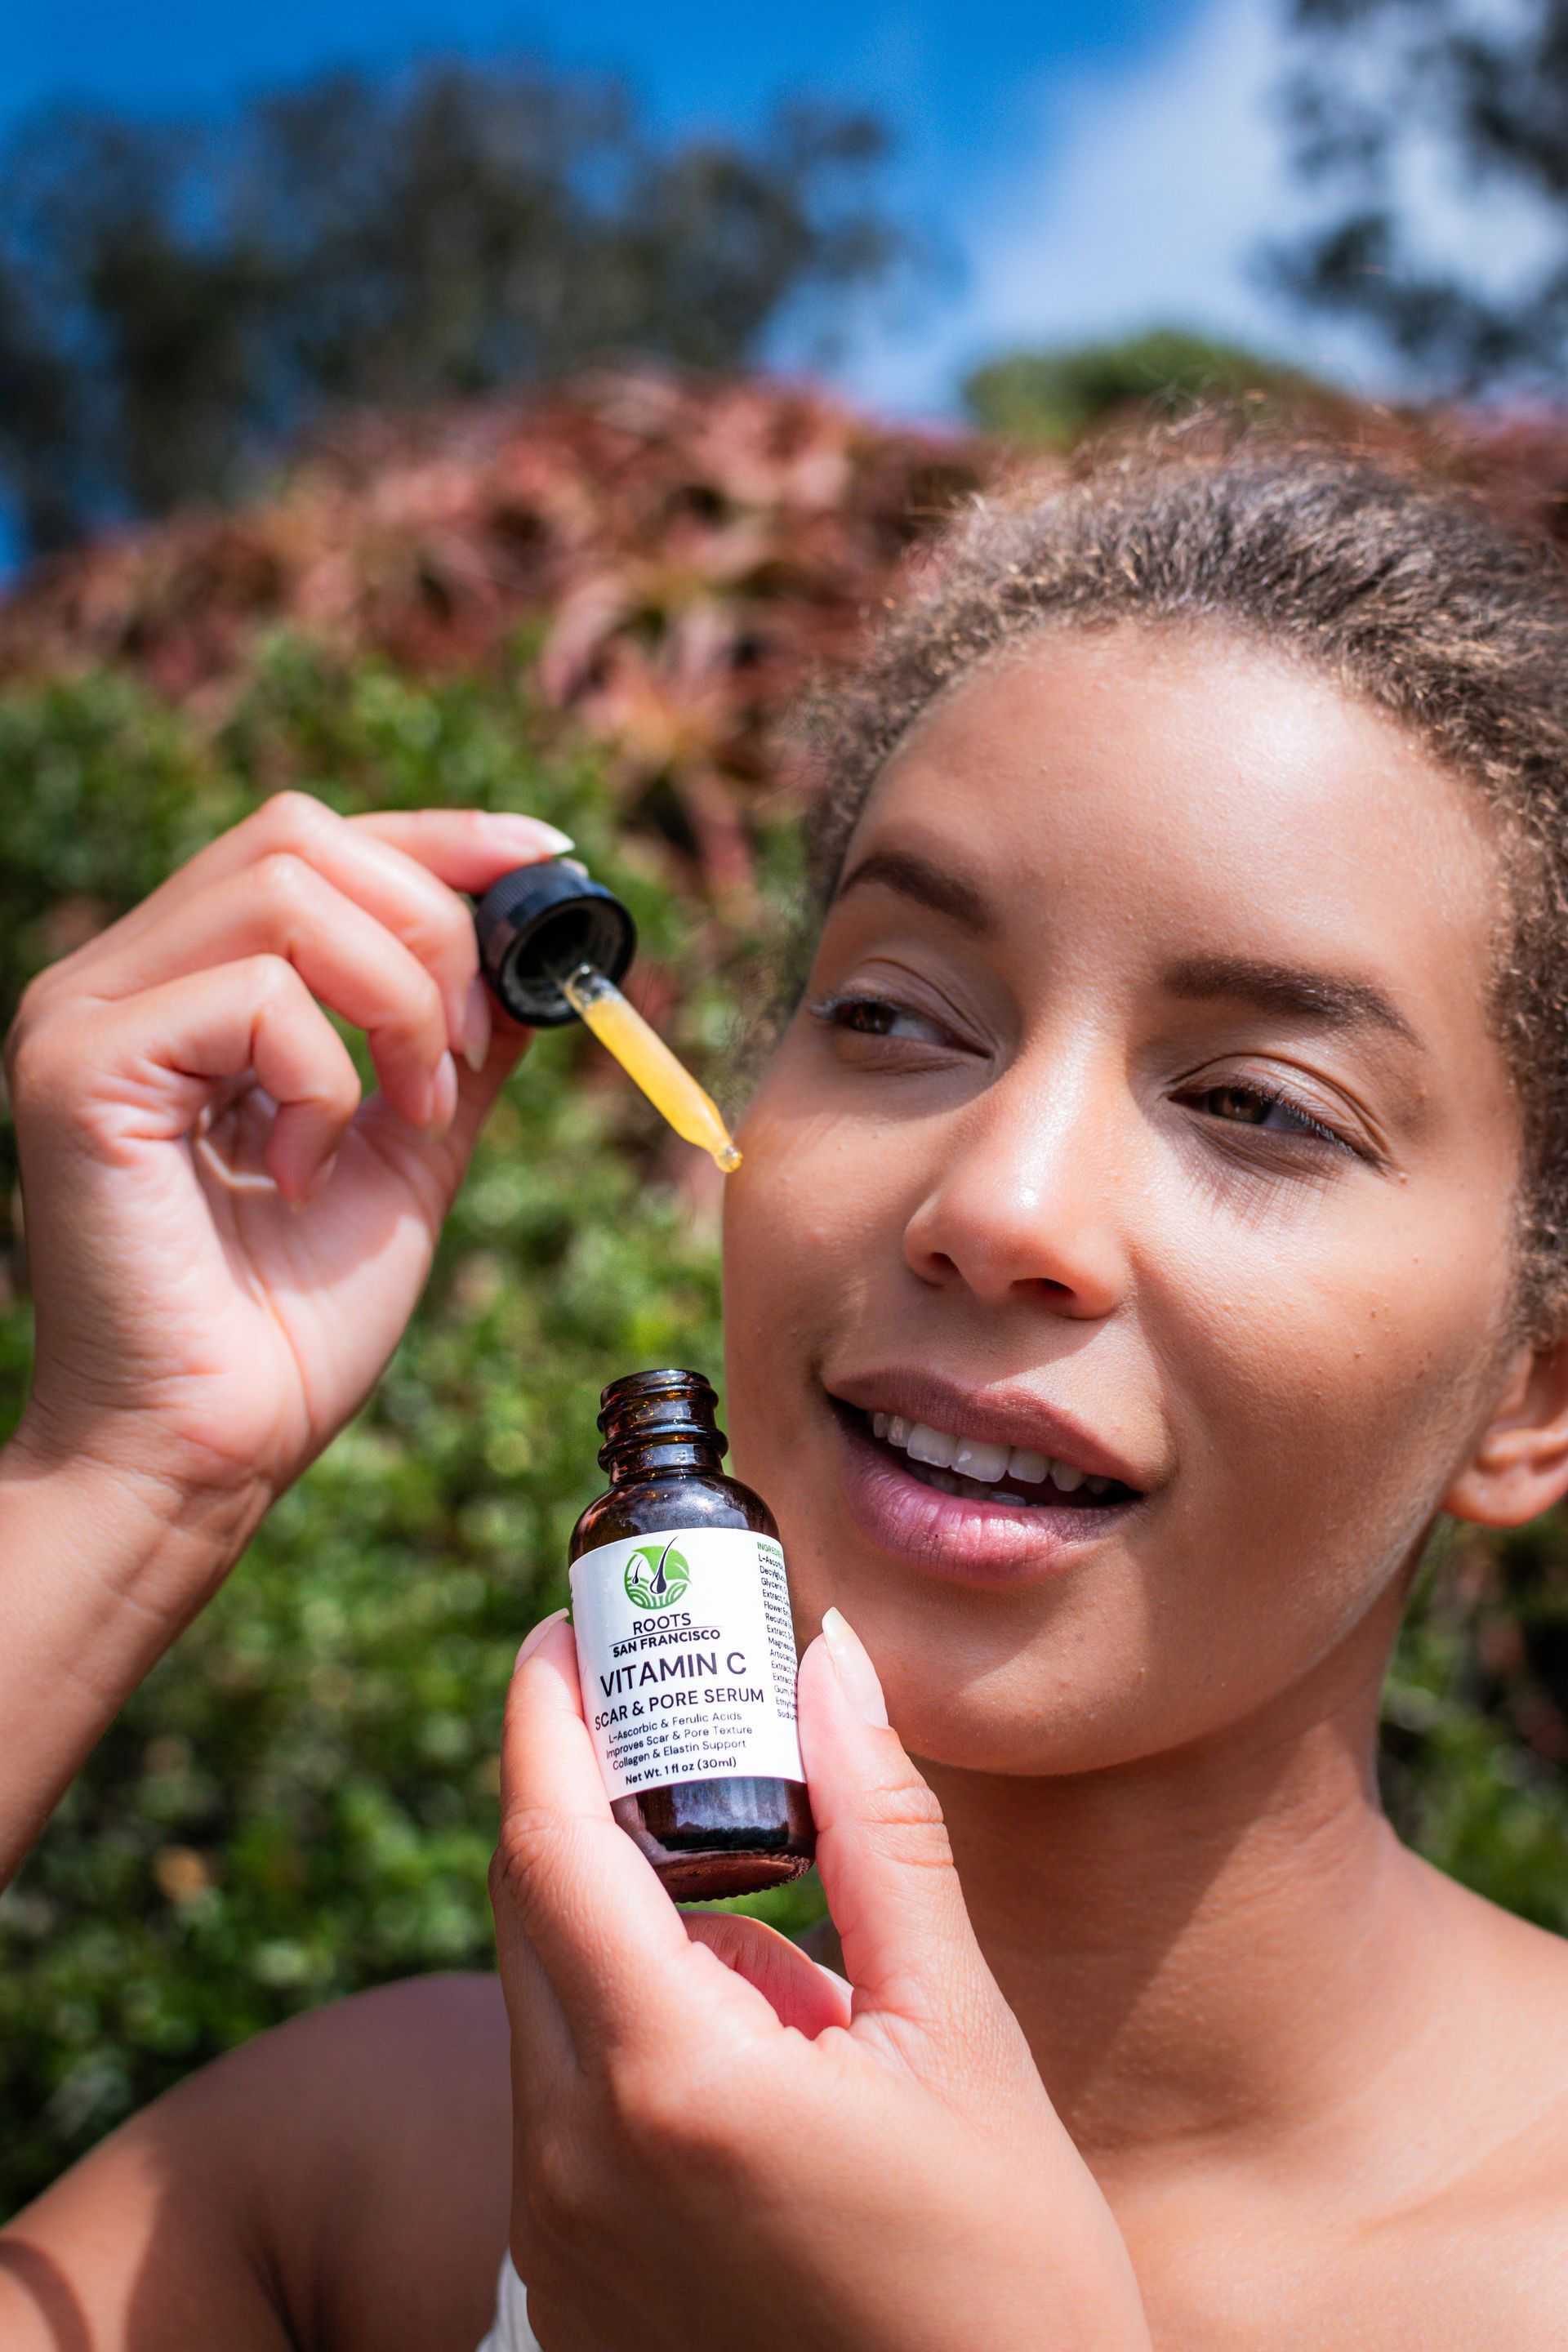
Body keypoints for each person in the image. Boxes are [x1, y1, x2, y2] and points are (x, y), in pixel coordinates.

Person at [4, 421, 1568, 2352]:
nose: (997, 1206)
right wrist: (119, 1474)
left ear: (1533, 1391)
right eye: (895, 1015)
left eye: (1257, 1104)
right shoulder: (391, 2173)